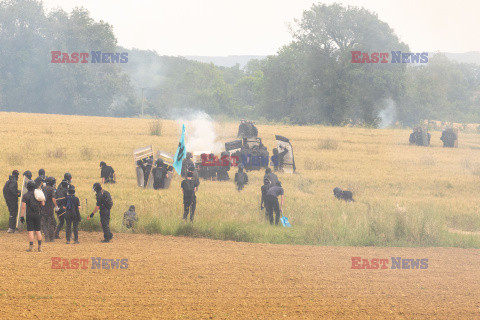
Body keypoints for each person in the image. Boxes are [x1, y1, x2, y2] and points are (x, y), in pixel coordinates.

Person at [19, 180, 44, 252]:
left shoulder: (25, 195)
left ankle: (31, 247)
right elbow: (43, 204)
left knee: (30, 231)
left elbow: (23, 207)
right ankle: (40, 247)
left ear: (27, 187)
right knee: (38, 230)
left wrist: (22, 216)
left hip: (29, 215)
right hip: (37, 214)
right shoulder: (38, 194)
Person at [54, 173, 72, 239]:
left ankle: (56, 234)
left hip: (58, 207)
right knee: (68, 221)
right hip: (64, 207)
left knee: (61, 221)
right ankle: (69, 235)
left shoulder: (60, 185)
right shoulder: (68, 187)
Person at [41, 177, 57, 242]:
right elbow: (53, 199)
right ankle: (51, 238)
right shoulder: (52, 189)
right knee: (51, 223)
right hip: (50, 208)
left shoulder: (43, 188)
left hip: (43, 208)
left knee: (44, 223)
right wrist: (56, 206)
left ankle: (46, 237)